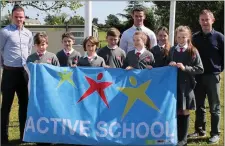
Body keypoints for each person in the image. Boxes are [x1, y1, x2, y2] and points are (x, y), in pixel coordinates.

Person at [188, 9, 224, 144]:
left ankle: (215, 133)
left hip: (213, 77)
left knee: (214, 106)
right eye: (202, 20)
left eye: (207, 19)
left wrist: (218, 70)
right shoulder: (195, 38)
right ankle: (199, 130)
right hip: (198, 77)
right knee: (199, 105)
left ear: (212, 20)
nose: (204, 22)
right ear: (199, 21)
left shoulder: (219, 37)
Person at [0, 5, 33, 144]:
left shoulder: (29, 34)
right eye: (16, 17)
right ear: (11, 17)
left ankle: (23, 135)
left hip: (23, 73)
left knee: (24, 104)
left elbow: (29, 50)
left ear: (24, 18)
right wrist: (3, 66)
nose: (19, 19)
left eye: (21, 17)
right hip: (9, 73)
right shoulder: (4, 32)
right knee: (6, 105)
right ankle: (3, 137)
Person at [168, 25, 204, 146]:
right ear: (176, 37)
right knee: (176, 111)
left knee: (184, 111)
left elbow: (200, 69)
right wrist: (170, 64)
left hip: (187, 86)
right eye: (179, 37)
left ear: (188, 37)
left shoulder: (192, 51)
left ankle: (183, 139)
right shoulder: (172, 50)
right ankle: (176, 136)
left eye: (184, 37)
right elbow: (167, 65)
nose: (181, 39)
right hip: (173, 85)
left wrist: (185, 68)